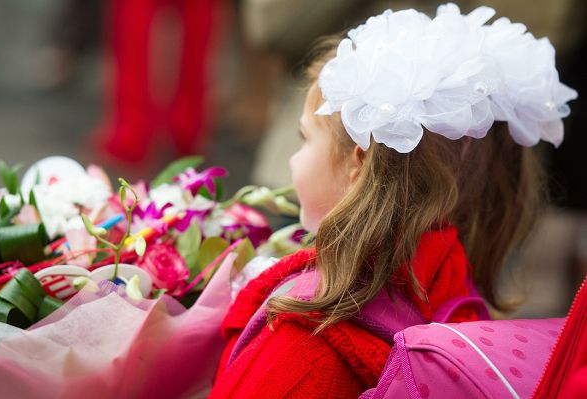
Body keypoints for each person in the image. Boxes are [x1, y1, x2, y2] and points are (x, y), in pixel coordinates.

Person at [209, 4, 577, 398]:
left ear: (360, 161)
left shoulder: (300, 346)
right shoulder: (450, 287)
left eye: (305, 138)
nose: (293, 159)